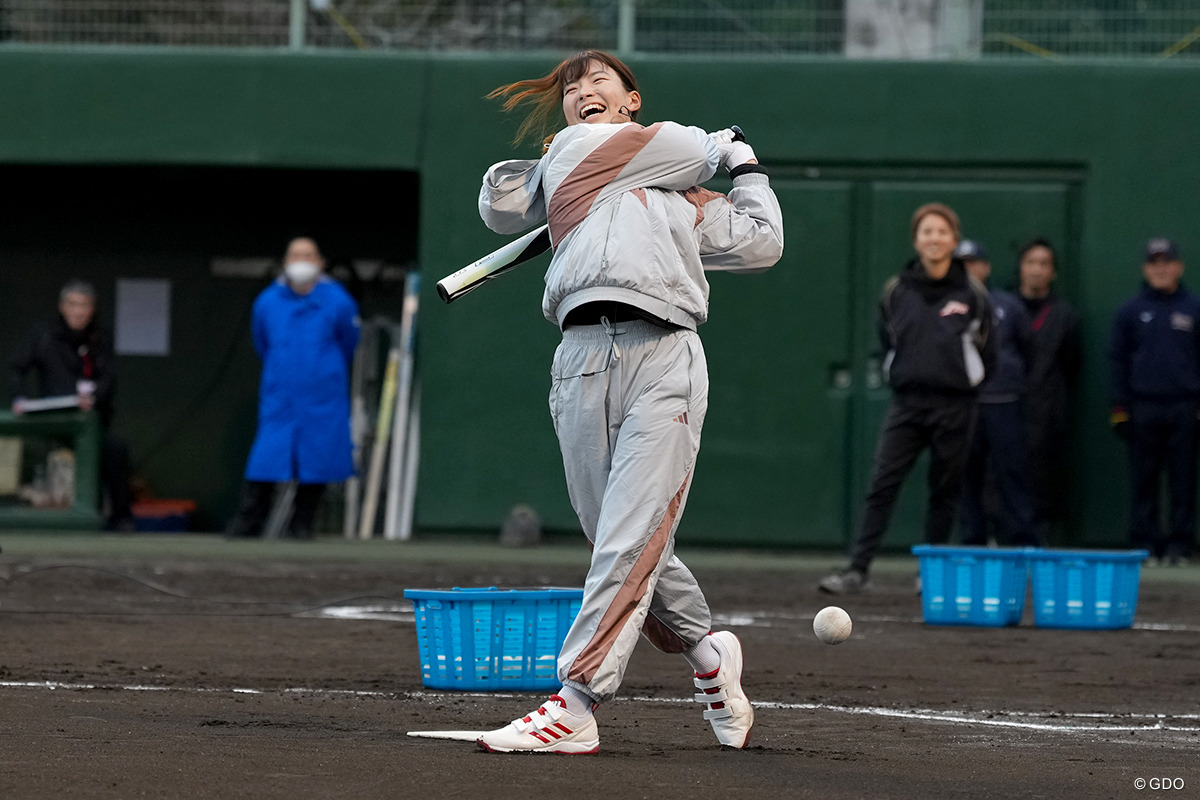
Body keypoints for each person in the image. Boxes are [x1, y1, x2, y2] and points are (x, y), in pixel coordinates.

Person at [473, 50, 784, 753]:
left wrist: (749, 169)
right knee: (617, 535)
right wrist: (720, 145)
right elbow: (498, 206)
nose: (582, 91)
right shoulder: (573, 155)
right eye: (572, 88)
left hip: (663, 355)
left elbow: (764, 243)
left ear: (631, 99)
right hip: (580, 358)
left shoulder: (673, 197)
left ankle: (575, 704)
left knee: (628, 536)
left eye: (598, 81)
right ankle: (709, 655)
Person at [819, 203, 994, 594]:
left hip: (956, 407)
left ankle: (928, 575)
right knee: (882, 483)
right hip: (907, 404)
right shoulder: (896, 291)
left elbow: (987, 351)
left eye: (942, 231)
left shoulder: (974, 295)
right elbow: (888, 342)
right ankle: (857, 570)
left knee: (945, 490)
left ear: (954, 239)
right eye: (926, 232)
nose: (934, 238)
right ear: (916, 240)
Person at [224, 237, 360, 540]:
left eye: (309, 255)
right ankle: (248, 523)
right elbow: (262, 341)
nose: (302, 260)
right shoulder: (267, 301)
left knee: (318, 460)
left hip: (323, 396)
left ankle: (302, 525)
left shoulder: (338, 300)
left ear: (320, 262)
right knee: (267, 458)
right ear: (286, 261)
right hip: (280, 395)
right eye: (296, 255)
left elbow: (348, 341)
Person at [6, 279, 134, 531]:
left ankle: (120, 518)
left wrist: (94, 397)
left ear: (92, 308)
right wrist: (19, 398)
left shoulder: (101, 338)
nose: (78, 311)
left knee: (116, 449)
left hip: (90, 423)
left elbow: (108, 380)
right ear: (63, 307)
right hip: (53, 422)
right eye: (73, 304)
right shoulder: (44, 335)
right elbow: (14, 369)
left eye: (84, 305)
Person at [1108, 237, 1200, 566]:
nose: (1161, 269)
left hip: (1184, 408)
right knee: (1143, 480)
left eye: (1167, 262)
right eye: (1154, 263)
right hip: (1142, 407)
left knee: (1183, 481)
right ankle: (1145, 543)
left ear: (1179, 266)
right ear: (1146, 268)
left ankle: (1180, 545)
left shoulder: (1194, 308)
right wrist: (1119, 408)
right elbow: (1117, 360)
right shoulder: (1131, 311)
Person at [954, 240, 1039, 547]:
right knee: (965, 476)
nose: (968, 270)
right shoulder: (944, 306)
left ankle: (1021, 540)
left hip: (1004, 402)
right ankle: (973, 540)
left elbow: (1028, 349)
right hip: (962, 405)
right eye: (961, 264)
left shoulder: (1007, 305)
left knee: (1012, 473)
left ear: (985, 267)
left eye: (973, 262)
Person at [1015, 237, 1082, 541]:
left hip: (1048, 412)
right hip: (1008, 408)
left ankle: (1040, 538)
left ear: (1053, 272)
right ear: (1021, 268)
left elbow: (1072, 364)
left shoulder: (1065, 315)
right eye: (1031, 263)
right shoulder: (1004, 308)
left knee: (1045, 477)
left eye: (1044, 264)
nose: (1037, 270)